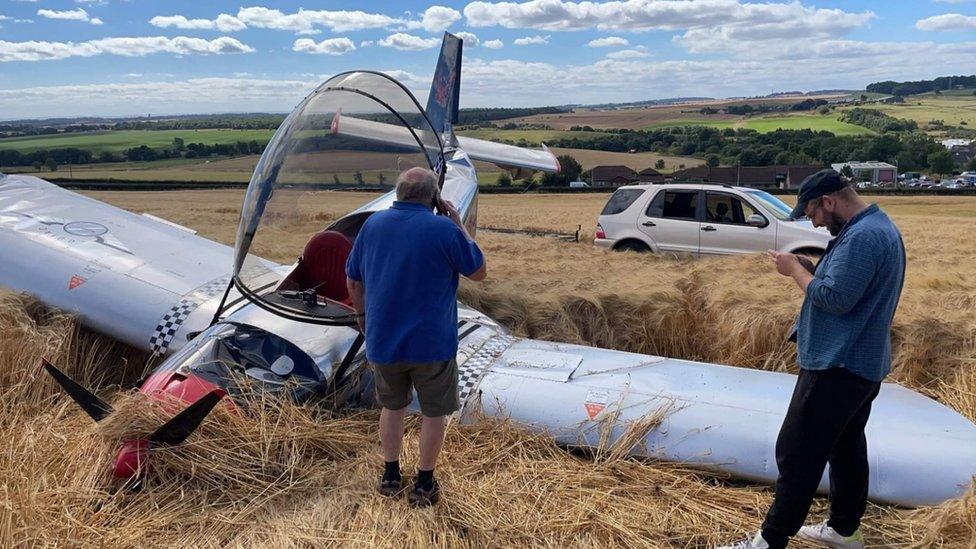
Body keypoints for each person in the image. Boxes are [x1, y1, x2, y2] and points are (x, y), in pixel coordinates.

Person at [718, 170, 905, 549]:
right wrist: (813, 267)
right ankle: (844, 530)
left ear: (829, 201)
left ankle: (769, 541)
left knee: (797, 452)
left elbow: (836, 300)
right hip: (861, 365)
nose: (815, 223)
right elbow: (850, 286)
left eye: (813, 214)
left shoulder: (863, 238)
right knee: (846, 446)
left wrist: (795, 273)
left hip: (837, 364)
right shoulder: (876, 227)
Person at [345, 166, 486, 508]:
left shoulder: (372, 225)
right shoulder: (443, 229)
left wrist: (363, 317)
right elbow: (479, 272)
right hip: (432, 344)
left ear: (399, 194)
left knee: (391, 408)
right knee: (433, 413)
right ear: (434, 197)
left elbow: (353, 280)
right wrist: (457, 223)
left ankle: (391, 475)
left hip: (383, 339)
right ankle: (424, 483)